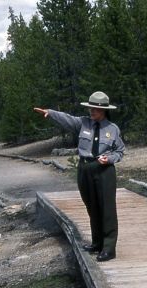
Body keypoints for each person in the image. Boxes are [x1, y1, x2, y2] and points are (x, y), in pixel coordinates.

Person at [33, 91, 124, 262]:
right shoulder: (82, 123)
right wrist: (50, 113)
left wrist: (109, 158)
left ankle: (109, 248)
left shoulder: (112, 129)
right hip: (84, 168)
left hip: (104, 170)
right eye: (90, 108)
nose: (91, 111)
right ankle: (97, 243)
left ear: (103, 110)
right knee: (91, 206)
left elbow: (120, 151)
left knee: (107, 209)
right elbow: (66, 118)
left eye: (95, 109)